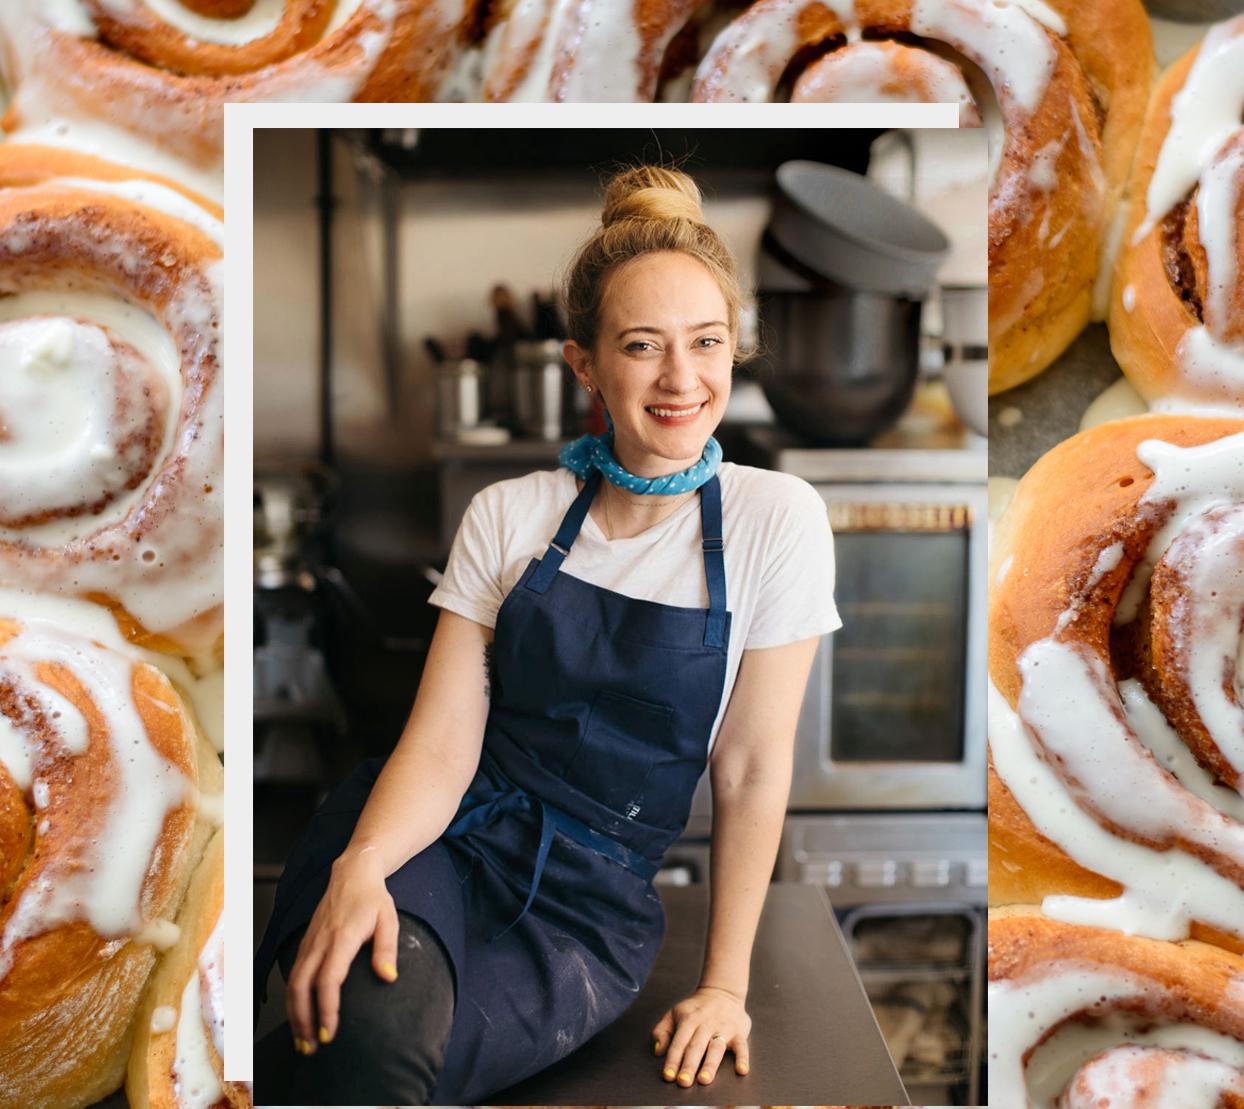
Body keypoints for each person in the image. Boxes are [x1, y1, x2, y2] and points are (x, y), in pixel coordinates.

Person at [253, 164, 842, 1104]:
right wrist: (364, 863)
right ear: (586, 365)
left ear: (735, 353)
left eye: (708, 343)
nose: (681, 377)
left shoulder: (778, 519)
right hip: (438, 833)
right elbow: (443, 742)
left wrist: (724, 986)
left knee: (365, 1064)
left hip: (588, 909)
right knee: (366, 1014)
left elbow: (750, 767)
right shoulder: (510, 514)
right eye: (644, 345)